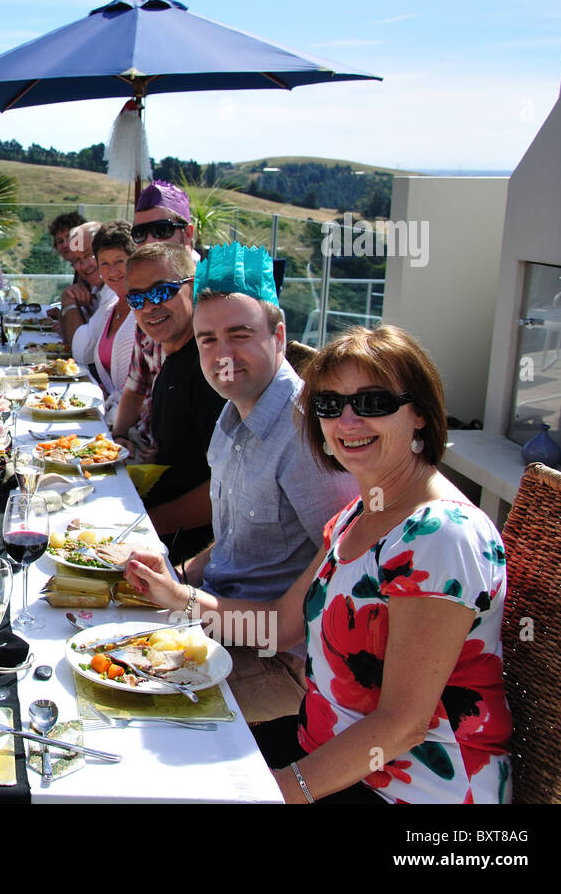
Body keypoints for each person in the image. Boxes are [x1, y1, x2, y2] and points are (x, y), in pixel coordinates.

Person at [125, 325, 513, 804]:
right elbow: (284, 625)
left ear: (419, 415)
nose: (347, 421)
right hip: (323, 748)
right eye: (329, 406)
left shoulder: (440, 534)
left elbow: (403, 724)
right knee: (144, 755)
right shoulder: (360, 512)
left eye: (372, 403)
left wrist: (282, 790)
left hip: (406, 788)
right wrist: (178, 596)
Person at [184, 242, 359, 721]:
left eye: (239, 335)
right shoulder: (235, 409)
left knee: (130, 710)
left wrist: (184, 602)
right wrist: (181, 574)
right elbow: (241, 536)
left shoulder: (308, 435)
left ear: (278, 335)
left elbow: (333, 586)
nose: (223, 355)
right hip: (219, 622)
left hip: (285, 668)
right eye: (208, 339)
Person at [127, 241, 225, 562]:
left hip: (189, 553)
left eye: (161, 291)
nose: (149, 307)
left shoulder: (210, 370)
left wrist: (144, 524)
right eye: (137, 298)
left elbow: (222, 493)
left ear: (193, 287)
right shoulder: (174, 358)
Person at [114, 181, 201, 452]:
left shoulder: (217, 309)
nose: (150, 241)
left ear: (188, 234)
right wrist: (114, 440)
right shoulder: (146, 304)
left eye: (162, 230)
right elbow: (136, 387)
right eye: (140, 233)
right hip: (144, 446)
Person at [70, 221, 148, 422]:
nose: (112, 271)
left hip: (134, 427)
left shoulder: (146, 310)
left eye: (119, 261)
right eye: (104, 263)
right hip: (110, 418)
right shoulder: (111, 308)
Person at [57, 221, 104, 344]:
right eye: (77, 260)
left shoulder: (116, 293)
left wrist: (69, 303)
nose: (84, 266)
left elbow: (80, 348)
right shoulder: (95, 289)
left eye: (88, 255)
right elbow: (69, 341)